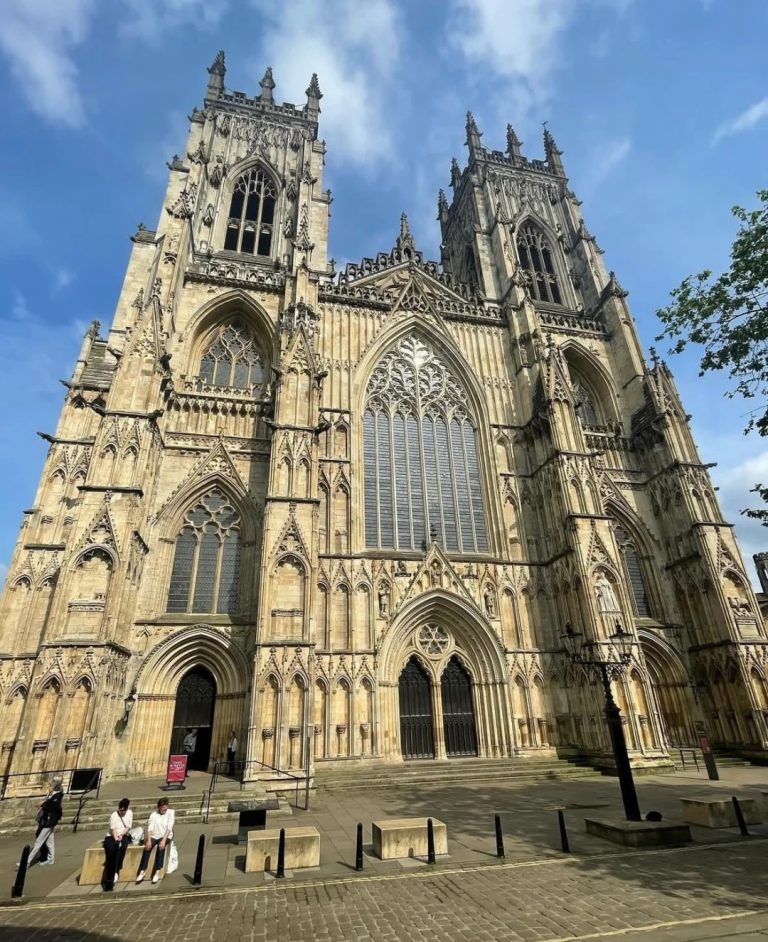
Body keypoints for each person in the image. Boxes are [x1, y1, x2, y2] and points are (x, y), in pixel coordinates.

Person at [25, 777, 64, 867]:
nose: (49, 788)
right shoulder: (54, 796)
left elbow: (55, 807)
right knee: (50, 841)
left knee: (38, 842)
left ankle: (26, 862)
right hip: (50, 821)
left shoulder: (56, 797)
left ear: (53, 787)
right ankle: (51, 859)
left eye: (50, 786)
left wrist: (43, 804)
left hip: (49, 822)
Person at [136, 798, 174, 885]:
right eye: (162, 807)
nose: (164, 809)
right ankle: (142, 870)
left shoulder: (171, 813)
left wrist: (164, 841)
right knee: (147, 848)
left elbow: (169, 827)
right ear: (159, 807)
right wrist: (149, 840)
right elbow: (150, 827)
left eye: (166, 807)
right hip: (154, 835)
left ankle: (157, 870)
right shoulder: (154, 814)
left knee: (161, 848)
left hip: (165, 835)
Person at [103, 798, 133, 884]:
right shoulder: (114, 815)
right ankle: (110, 871)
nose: (123, 812)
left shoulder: (129, 813)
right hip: (112, 836)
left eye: (124, 810)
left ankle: (116, 870)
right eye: (121, 810)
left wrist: (121, 835)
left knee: (123, 847)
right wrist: (116, 839)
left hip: (123, 834)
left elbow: (128, 827)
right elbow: (113, 829)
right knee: (111, 849)